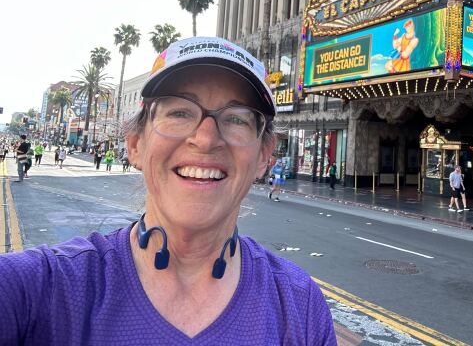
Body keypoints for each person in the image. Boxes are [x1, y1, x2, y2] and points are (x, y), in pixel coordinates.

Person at [0, 36, 336, 344]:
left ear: (264, 155)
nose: (205, 139)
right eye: (179, 112)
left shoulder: (300, 304)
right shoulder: (43, 289)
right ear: (135, 144)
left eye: (237, 118)